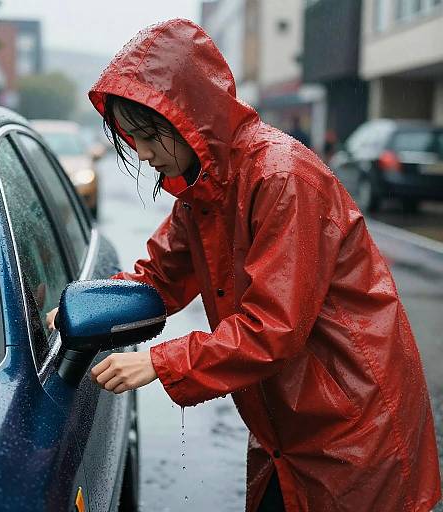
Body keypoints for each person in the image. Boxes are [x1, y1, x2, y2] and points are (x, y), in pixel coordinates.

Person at [47, 19, 441, 511]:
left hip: (353, 425)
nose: (143, 155)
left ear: (189, 115)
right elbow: (160, 277)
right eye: (131, 139)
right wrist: (91, 308)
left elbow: (273, 327)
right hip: (289, 423)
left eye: (149, 136)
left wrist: (160, 361)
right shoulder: (202, 188)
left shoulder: (282, 178)